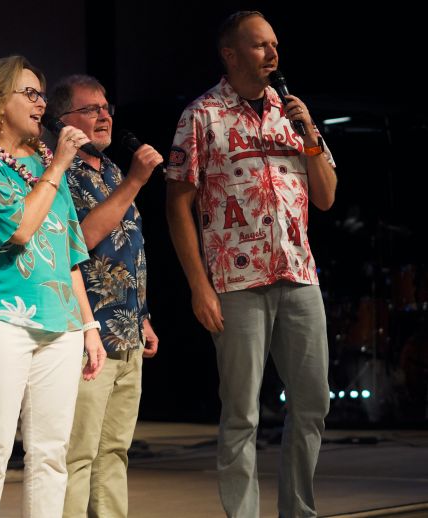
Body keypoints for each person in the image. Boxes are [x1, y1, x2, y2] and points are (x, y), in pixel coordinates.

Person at [165, 11, 338, 517]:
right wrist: (199, 285)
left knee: (313, 406)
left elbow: (326, 197)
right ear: (231, 54)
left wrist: (308, 133)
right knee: (241, 414)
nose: (272, 54)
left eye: (275, 45)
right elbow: (178, 204)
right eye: (260, 46)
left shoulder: (293, 114)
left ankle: (298, 511)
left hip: (299, 275)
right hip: (236, 281)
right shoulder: (202, 115)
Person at [0, 55, 106, 517]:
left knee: (51, 456)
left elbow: (70, 254)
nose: (42, 103)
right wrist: (57, 166)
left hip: (60, 323)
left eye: (43, 95)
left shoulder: (43, 162)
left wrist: (89, 325)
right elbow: (18, 230)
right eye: (31, 93)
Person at [45, 75, 161, 518]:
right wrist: (134, 182)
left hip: (127, 330)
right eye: (91, 108)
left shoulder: (112, 170)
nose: (105, 114)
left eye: (106, 106)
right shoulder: (57, 173)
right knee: (79, 453)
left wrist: (143, 315)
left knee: (114, 450)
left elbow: (128, 249)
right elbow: (84, 239)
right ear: (62, 122)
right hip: (85, 333)